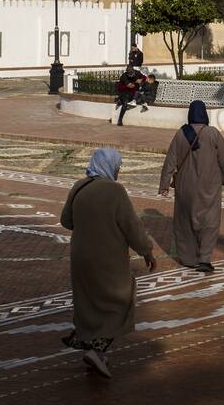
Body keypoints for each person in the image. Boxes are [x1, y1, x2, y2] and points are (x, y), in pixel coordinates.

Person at [60, 148, 157, 378]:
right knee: (120, 302)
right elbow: (131, 226)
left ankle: (91, 347)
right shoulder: (115, 191)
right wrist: (147, 251)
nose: (118, 171)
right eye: (118, 167)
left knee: (89, 302)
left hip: (81, 257)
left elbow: (66, 220)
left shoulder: (79, 187)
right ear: (110, 166)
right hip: (108, 259)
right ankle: (96, 350)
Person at [158, 100, 224, 274]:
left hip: (185, 185)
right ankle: (204, 259)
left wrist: (164, 185)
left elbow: (170, 161)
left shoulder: (181, 133)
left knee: (185, 220)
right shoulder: (213, 133)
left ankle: (188, 259)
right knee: (210, 221)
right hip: (210, 186)